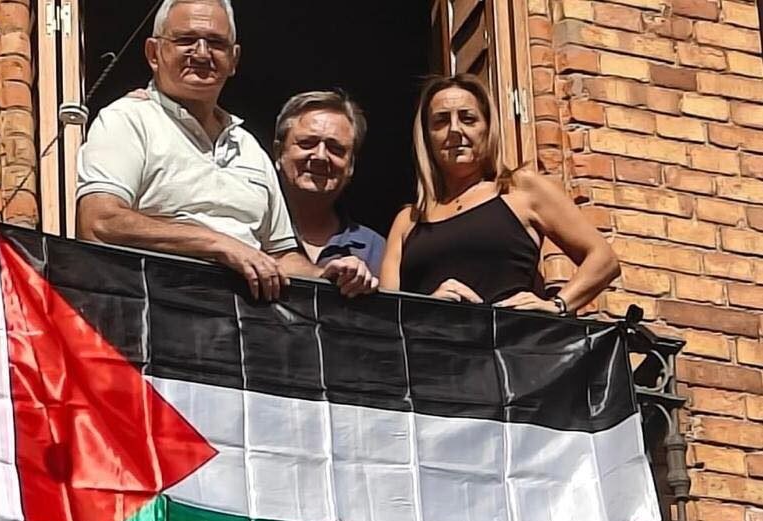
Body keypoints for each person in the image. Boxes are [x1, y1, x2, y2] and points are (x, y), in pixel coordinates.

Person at [76, 0, 377, 301]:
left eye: (216, 43)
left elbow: (283, 256)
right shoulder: (127, 120)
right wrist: (219, 245)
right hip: (153, 319)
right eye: (186, 40)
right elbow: (99, 223)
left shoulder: (249, 147)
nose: (202, 53)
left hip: (242, 334)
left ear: (234, 59)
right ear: (154, 53)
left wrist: (327, 274)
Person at [380, 74, 619, 315]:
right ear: (427, 136)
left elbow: (604, 259)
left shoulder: (519, 190)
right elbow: (385, 320)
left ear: (487, 128)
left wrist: (558, 304)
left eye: (468, 118)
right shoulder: (408, 221)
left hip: (509, 346)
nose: (455, 129)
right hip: (431, 348)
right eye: (441, 121)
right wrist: (428, 308)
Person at [273, 91, 386, 276]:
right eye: (307, 143)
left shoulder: (375, 250)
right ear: (278, 152)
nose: (320, 156)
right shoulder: (248, 227)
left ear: (351, 166)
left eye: (336, 149)